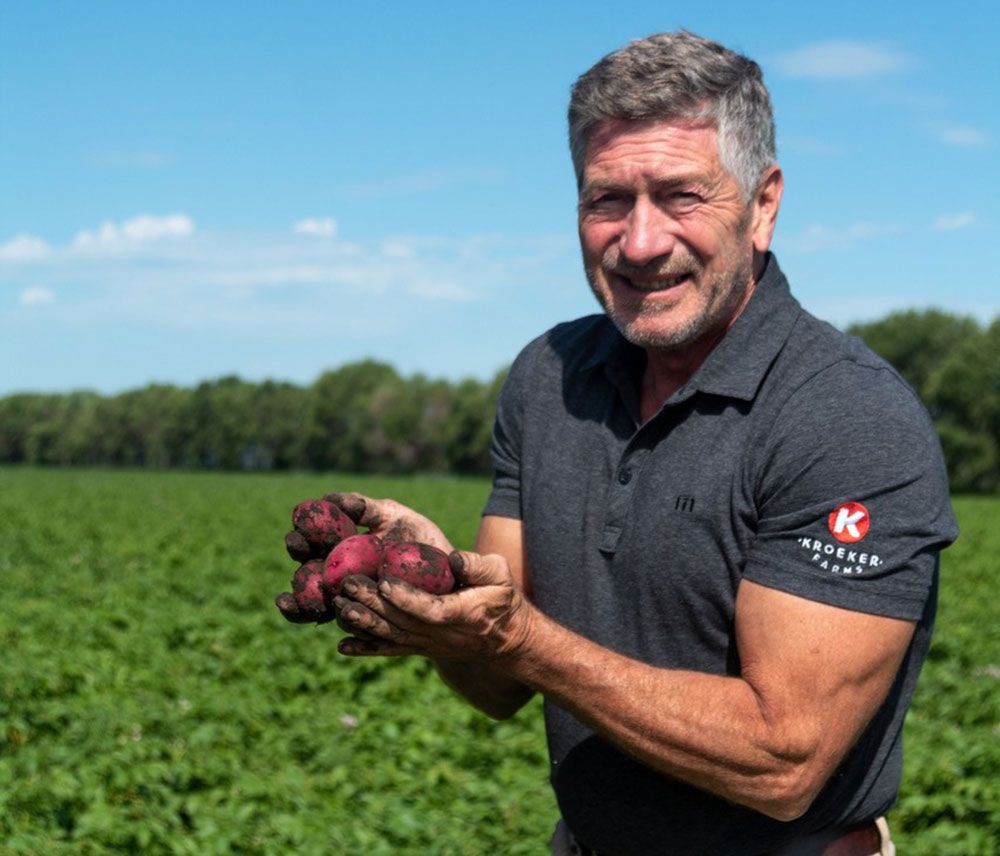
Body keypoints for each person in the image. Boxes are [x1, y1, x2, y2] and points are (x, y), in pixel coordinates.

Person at [324, 30, 958, 856]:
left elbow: (784, 762)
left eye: (682, 196)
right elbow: (497, 686)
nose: (641, 241)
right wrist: (443, 595)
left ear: (763, 204)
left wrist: (521, 639)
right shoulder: (551, 379)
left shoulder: (844, 416)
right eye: (608, 200)